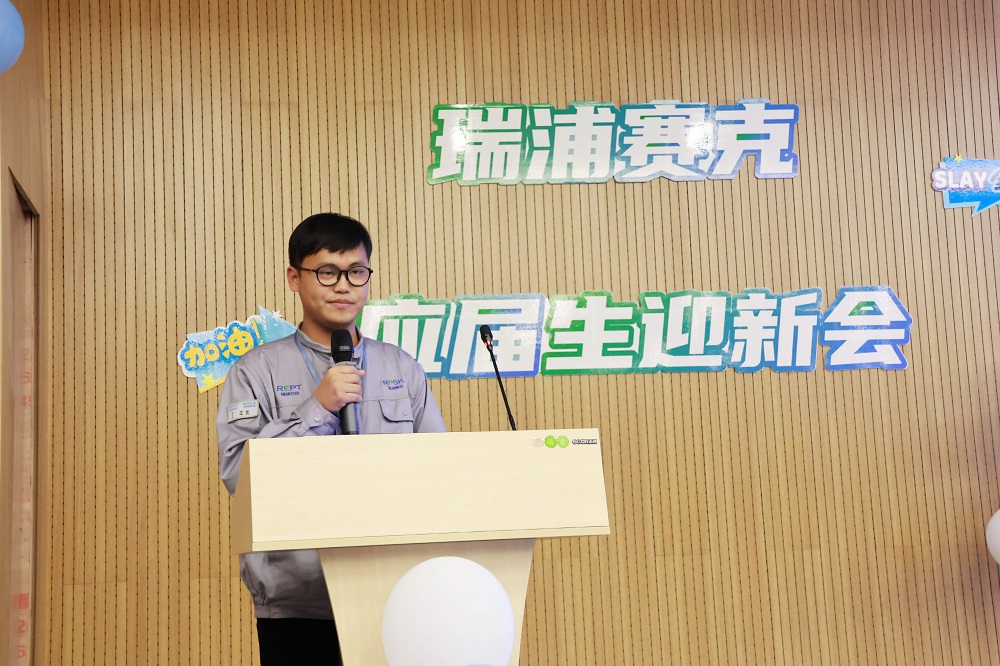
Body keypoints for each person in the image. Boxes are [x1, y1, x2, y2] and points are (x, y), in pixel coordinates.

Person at [216, 212, 447, 665]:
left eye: (356, 272)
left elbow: (439, 472)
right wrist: (317, 408)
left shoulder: (401, 367)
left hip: (396, 591)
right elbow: (239, 475)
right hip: (299, 603)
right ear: (294, 278)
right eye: (327, 272)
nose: (344, 286)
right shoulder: (255, 371)